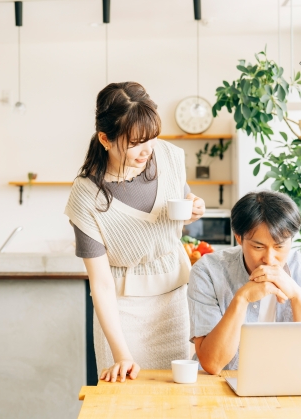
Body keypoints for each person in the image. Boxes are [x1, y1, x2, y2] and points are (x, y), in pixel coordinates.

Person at [65, 82, 205, 383]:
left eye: (152, 138)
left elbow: (179, 205)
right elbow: (100, 284)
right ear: (105, 138)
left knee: (178, 398)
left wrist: (194, 206)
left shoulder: (167, 155)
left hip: (177, 300)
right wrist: (121, 354)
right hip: (122, 313)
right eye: (136, 143)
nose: (148, 150)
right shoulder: (86, 196)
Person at [188, 190, 301, 374]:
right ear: (238, 237)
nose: (269, 259)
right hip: (222, 389)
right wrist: (241, 299)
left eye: (280, 246)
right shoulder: (208, 271)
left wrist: (298, 298)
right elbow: (212, 363)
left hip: (292, 388)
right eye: (258, 247)